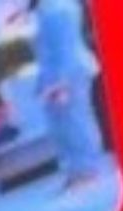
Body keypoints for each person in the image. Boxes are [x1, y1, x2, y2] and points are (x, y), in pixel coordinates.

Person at [31, 0, 108, 190]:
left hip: (69, 73)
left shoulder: (58, 7)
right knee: (63, 125)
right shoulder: (49, 7)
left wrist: (61, 82)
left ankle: (87, 168)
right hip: (57, 74)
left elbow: (64, 49)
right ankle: (76, 169)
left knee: (76, 122)